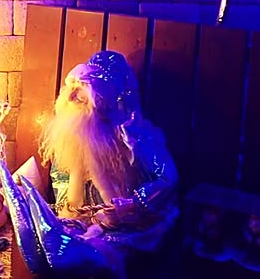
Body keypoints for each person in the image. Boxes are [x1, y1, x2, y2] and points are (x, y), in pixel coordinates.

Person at [39, 50, 179, 252]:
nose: (71, 96)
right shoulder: (70, 132)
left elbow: (167, 179)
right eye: (71, 89)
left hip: (128, 224)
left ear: (105, 99)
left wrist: (132, 204)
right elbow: (61, 176)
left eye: (81, 92)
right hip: (83, 221)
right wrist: (68, 210)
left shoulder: (134, 137)